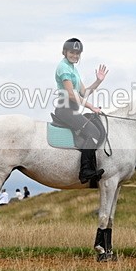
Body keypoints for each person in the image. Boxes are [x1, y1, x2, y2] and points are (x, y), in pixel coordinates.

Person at [54, 38, 108, 187]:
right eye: (72, 52)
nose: (75, 56)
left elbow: (83, 92)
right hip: (65, 109)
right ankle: (85, 171)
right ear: (65, 52)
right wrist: (91, 107)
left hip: (72, 108)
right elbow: (72, 95)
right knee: (93, 132)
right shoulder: (64, 68)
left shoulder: (72, 68)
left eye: (77, 53)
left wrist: (98, 81)